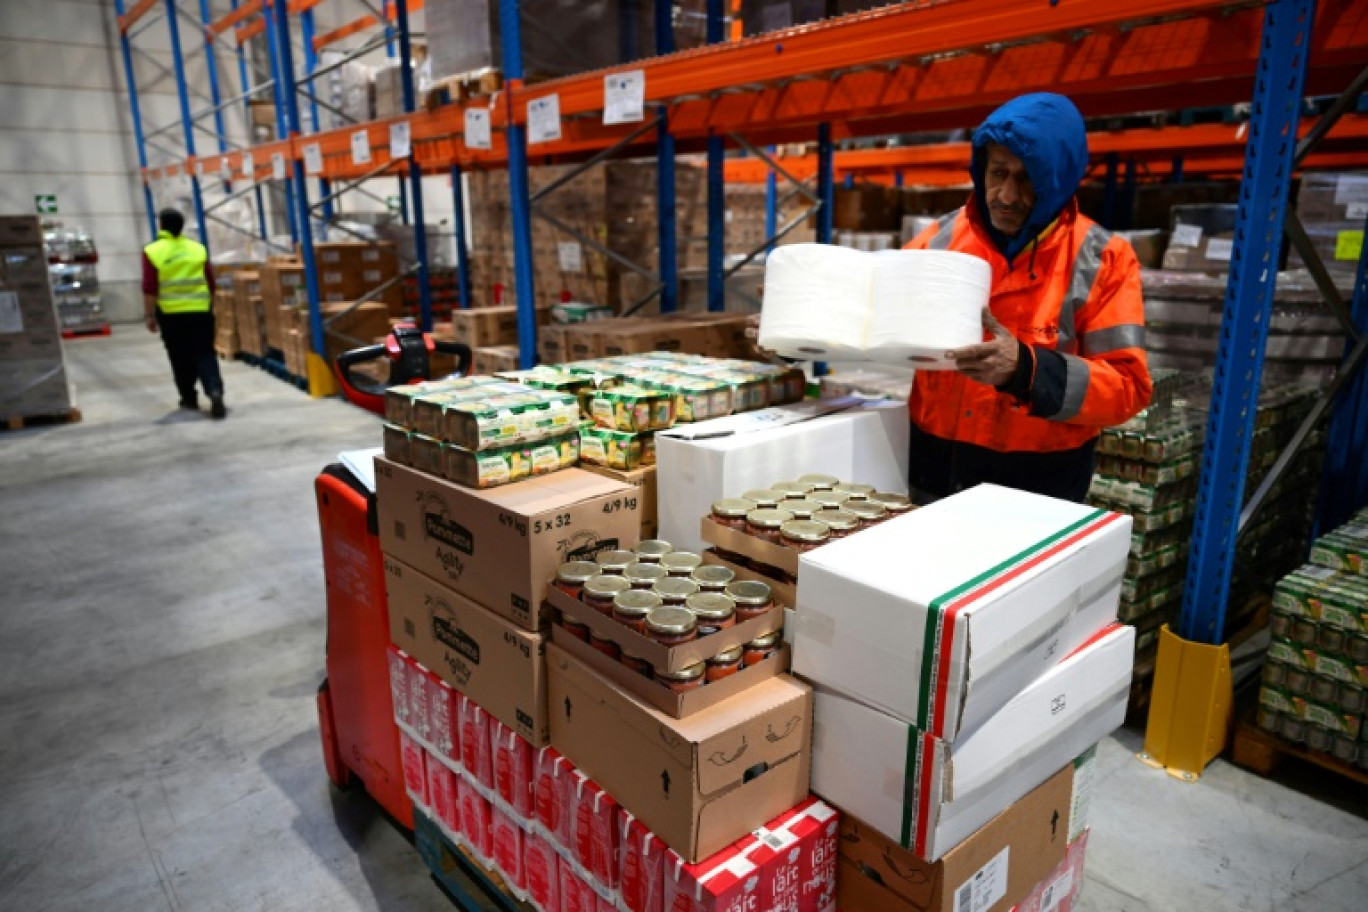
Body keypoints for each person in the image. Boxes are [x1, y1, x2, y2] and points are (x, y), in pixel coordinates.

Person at [903, 92, 1150, 502]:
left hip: (1040, 483)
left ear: (1058, 181)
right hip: (934, 468)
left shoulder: (1103, 260)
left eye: (1026, 178)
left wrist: (1027, 371)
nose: (1006, 195)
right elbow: (875, 322)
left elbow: (1128, 387)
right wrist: (787, 331)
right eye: (998, 173)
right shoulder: (938, 242)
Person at [144, 208, 227, 419]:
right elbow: (210, 282)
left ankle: (189, 398)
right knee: (205, 352)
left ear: (161, 225)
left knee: (179, 356)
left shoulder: (153, 251)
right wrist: (211, 306)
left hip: (171, 314)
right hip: (200, 311)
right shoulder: (197, 249)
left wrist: (149, 315)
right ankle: (215, 391)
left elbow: (150, 287)